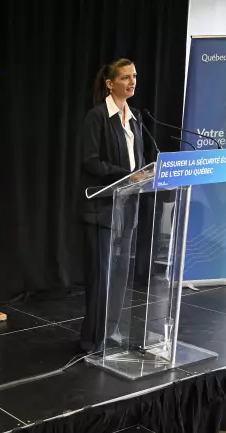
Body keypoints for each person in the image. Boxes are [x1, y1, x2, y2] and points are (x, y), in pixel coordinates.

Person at [78, 58, 154, 353]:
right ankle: (92, 340)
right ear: (110, 84)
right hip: (103, 209)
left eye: (134, 76)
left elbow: (139, 159)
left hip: (128, 206)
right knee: (101, 277)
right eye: (125, 77)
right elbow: (90, 161)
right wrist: (126, 175)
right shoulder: (97, 116)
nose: (132, 82)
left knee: (120, 274)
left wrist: (145, 173)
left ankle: (110, 332)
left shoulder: (136, 117)